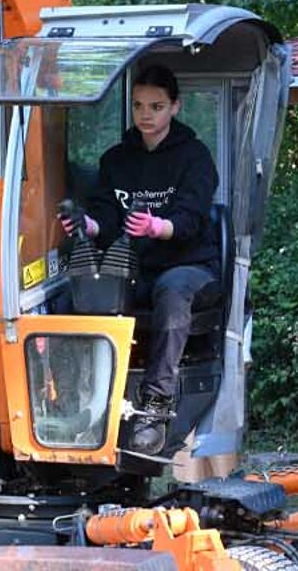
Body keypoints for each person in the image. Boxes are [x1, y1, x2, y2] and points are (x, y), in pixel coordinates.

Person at [62, 65, 220, 455]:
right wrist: (89, 226)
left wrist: (158, 226)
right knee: (79, 294)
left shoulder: (195, 157)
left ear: (175, 107)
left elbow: (191, 218)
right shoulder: (117, 159)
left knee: (172, 290)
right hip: (132, 266)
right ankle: (79, 401)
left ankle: (155, 404)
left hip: (192, 266)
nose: (146, 114)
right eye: (138, 106)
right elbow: (106, 215)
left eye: (156, 106)